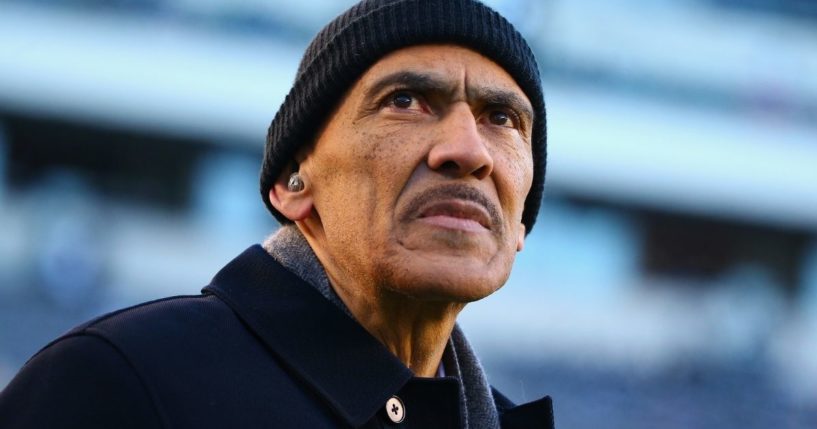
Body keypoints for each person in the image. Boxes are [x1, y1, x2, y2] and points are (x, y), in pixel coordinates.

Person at [0, 0, 552, 427]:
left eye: (502, 118)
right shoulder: (121, 384)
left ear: (522, 220)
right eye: (404, 101)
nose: (468, 150)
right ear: (293, 184)